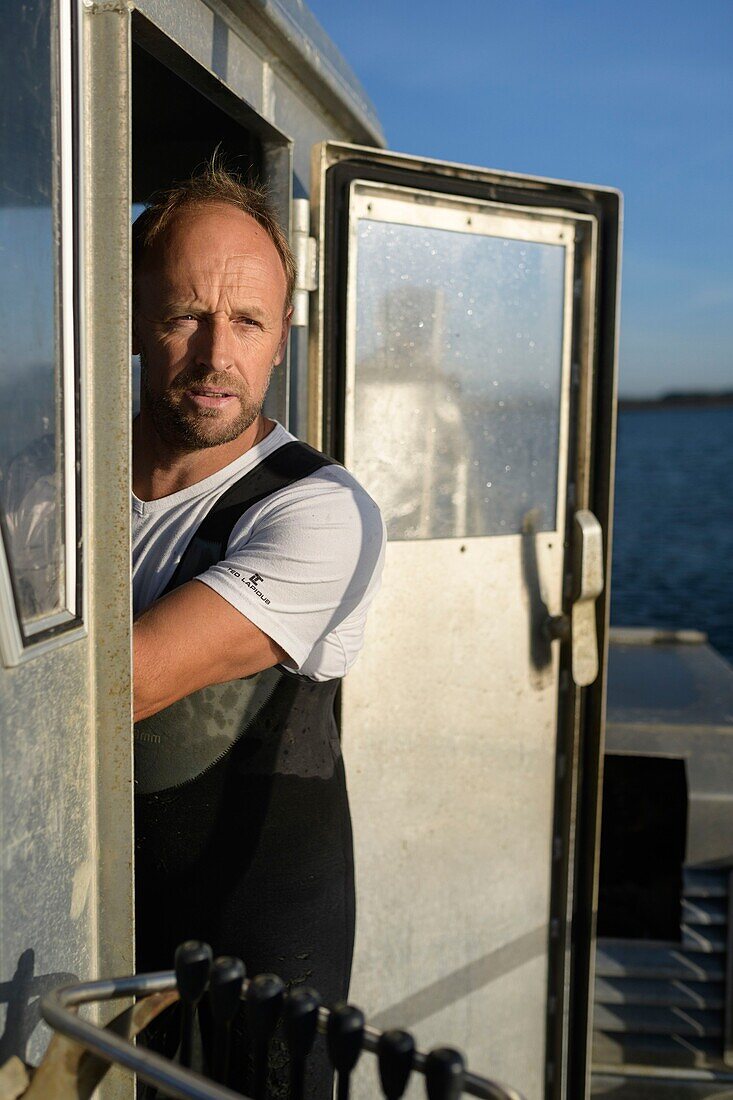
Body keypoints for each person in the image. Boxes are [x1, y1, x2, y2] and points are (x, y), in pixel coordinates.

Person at [131, 164, 385, 1097]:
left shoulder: (317, 512)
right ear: (126, 315)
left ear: (282, 340)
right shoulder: (49, 483)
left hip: (257, 971)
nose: (215, 355)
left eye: (247, 323)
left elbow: (119, 686)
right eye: (184, 315)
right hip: (82, 925)